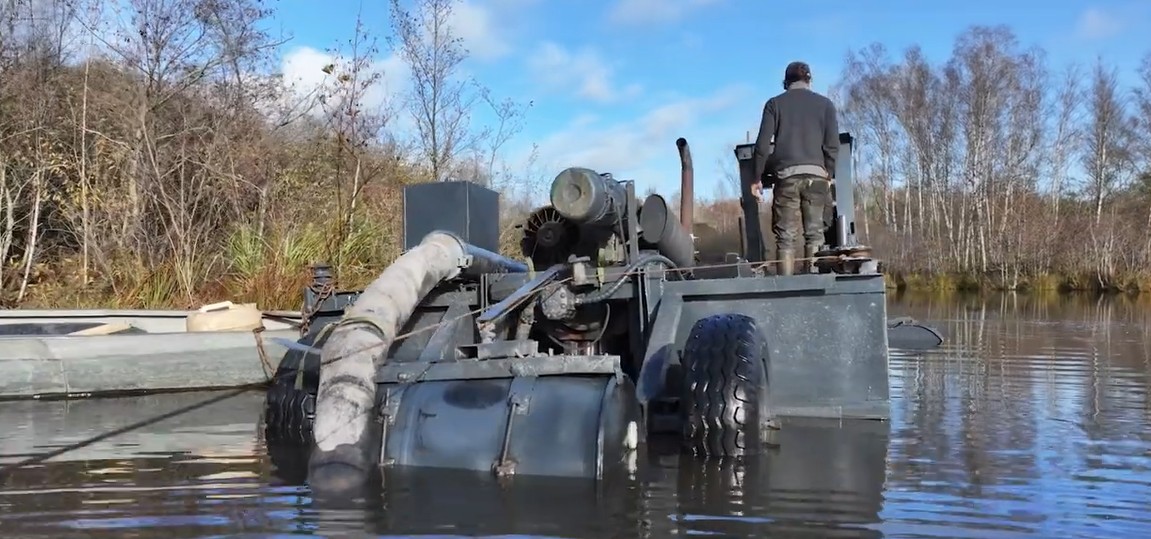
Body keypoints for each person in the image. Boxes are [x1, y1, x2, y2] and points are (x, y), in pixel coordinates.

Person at [752, 61, 839, 275]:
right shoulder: (826, 105)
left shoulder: (774, 104)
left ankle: (786, 289)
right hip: (817, 175)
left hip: (787, 175)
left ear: (785, 82)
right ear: (809, 80)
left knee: (785, 237)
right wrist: (829, 172)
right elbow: (832, 145)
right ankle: (815, 284)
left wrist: (756, 178)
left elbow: (762, 146)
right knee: (815, 233)